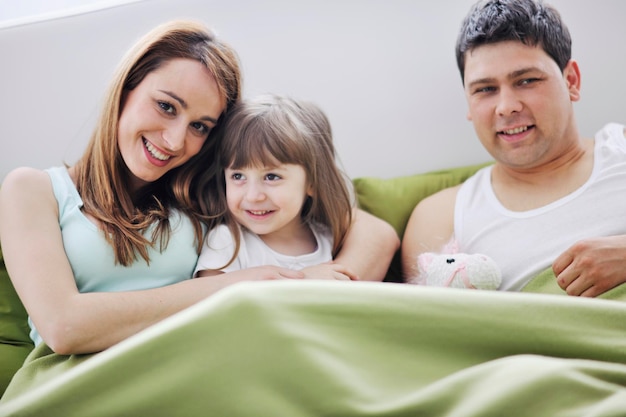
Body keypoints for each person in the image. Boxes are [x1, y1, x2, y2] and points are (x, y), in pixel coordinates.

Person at [0, 20, 398, 358]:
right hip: (72, 384)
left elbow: (375, 234)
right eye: (167, 106)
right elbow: (64, 326)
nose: (174, 141)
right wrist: (235, 285)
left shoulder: (208, 192)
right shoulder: (33, 190)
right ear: (126, 89)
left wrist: (322, 297)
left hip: (191, 372)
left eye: (200, 126)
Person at [402, 0, 626, 297]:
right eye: (485, 89)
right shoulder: (441, 215)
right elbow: (425, 332)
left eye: (527, 81)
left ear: (571, 81)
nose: (506, 107)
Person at [194, 94, 356, 279]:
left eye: (271, 177)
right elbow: (211, 304)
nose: (253, 196)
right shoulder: (226, 242)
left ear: (312, 182)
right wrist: (304, 281)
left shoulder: (329, 237)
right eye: (238, 176)